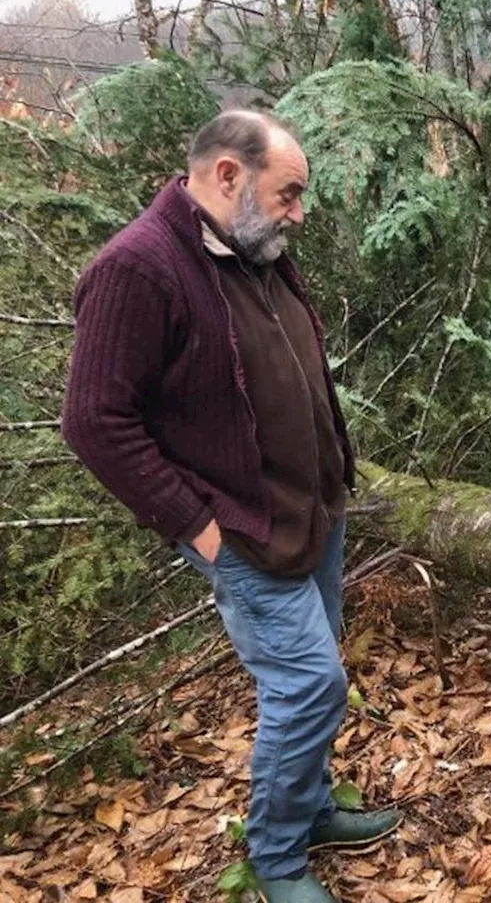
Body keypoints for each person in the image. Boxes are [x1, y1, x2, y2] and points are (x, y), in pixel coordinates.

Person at [63, 110, 401, 903]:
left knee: (318, 673)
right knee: (309, 685)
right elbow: (94, 422)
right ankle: (277, 862)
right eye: (288, 194)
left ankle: (312, 809)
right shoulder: (139, 269)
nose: (298, 214)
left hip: (311, 511)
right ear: (227, 176)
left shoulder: (255, 250)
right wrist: (200, 530)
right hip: (245, 531)